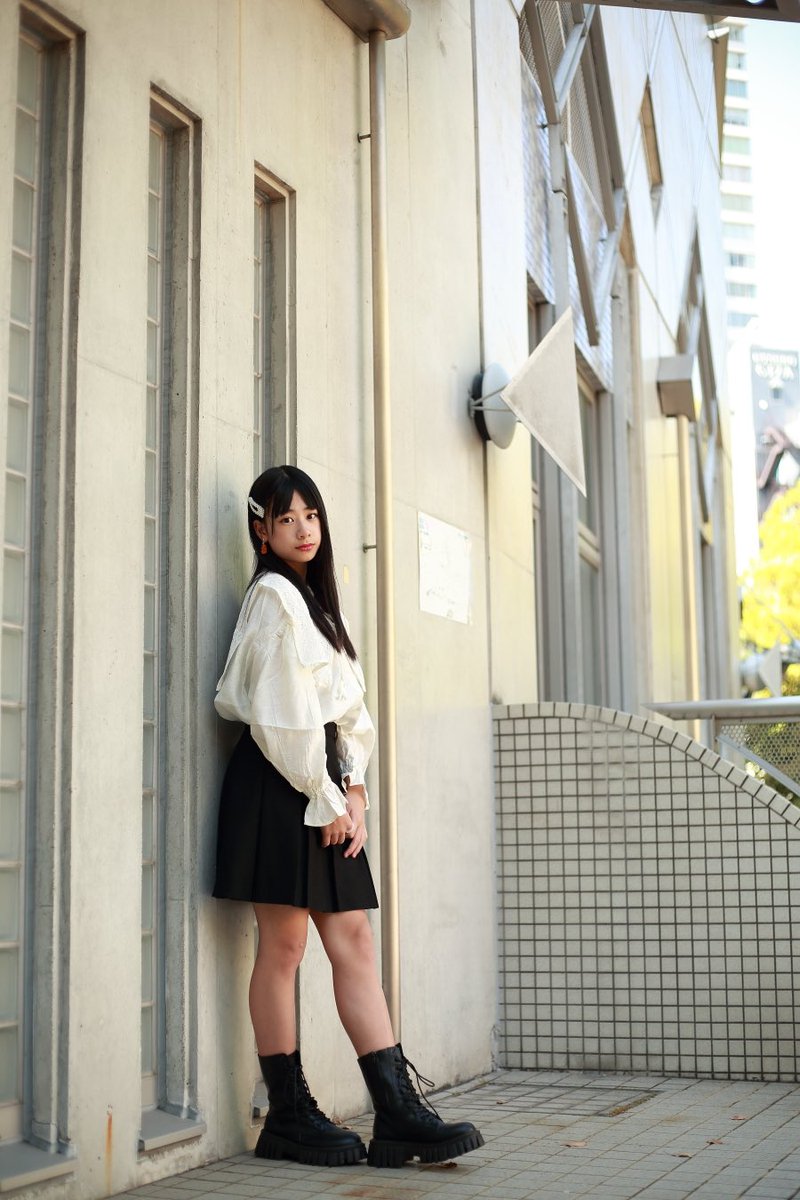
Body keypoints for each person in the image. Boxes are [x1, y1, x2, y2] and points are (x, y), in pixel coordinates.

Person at [213, 464, 484, 1169]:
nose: (303, 529)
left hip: (323, 784)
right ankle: (288, 1114)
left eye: (311, 515)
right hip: (281, 782)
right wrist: (326, 796)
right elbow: (280, 716)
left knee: (355, 941)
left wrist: (354, 791)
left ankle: (396, 1111)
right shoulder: (274, 597)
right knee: (284, 947)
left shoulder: (319, 603)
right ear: (261, 531)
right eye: (286, 518)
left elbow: (349, 712)